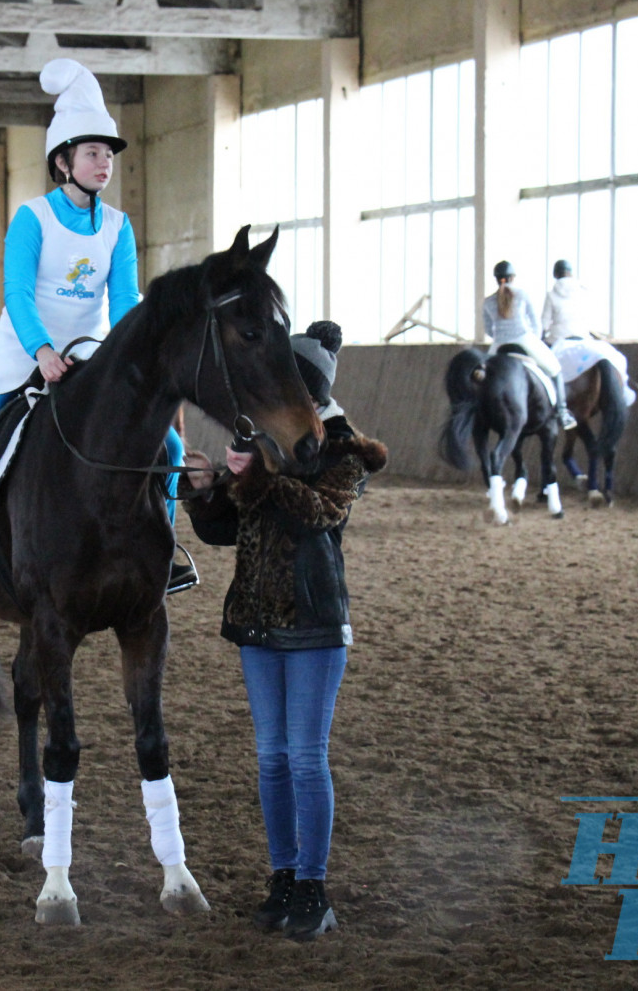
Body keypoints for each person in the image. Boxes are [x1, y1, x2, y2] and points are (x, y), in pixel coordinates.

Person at [0, 57, 195, 593]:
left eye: (108, 154)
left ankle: (165, 550)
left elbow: (124, 298)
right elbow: (17, 294)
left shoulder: (119, 227)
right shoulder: (33, 217)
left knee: (167, 447)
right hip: (22, 347)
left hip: (94, 349)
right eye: (93, 153)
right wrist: (41, 350)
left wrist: (130, 356)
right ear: (63, 161)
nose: (105, 164)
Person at [181, 320, 388, 943]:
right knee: (271, 759)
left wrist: (259, 479)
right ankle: (283, 877)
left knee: (304, 757)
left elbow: (319, 515)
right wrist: (206, 491)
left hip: (315, 619)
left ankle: (314, 886)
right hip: (256, 620)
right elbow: (226, 532)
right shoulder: (259, 434)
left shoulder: (347, 448)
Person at [482, 261, 576, 431]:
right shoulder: (522, 295)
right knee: (555, 369)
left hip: (499, 344)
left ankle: (478, 413)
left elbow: (488, 328)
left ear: (496, 279)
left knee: (483, 376)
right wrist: (535, 337)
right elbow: (536, 323)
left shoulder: (488, 301)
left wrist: (499, 336)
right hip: (524, 340)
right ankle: (563, 412)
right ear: (513, 277)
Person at [540, 259, 592, 346]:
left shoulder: (551, 295)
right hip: (581, 337)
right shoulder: (583, 292)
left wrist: (541, 337)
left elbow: (544, 323)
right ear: (571, 273)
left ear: (555, 275)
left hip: (558, 339)